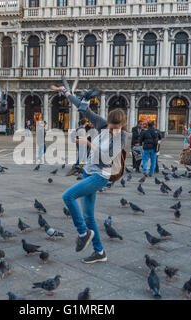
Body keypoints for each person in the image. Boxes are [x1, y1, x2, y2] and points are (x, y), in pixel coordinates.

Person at [52, 84, 127, 264]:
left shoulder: (123, 136)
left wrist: (87, 143)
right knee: (88, 217)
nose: (111, 131)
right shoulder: (102, 124)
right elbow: (83, 109)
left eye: (115, 128)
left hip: (100, 176)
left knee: (68, 196)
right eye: (110, 127)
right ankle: (99, 252)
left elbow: (106, 158)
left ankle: (82, 233)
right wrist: (67, 93)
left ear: (122, 125)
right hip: (87, 172)